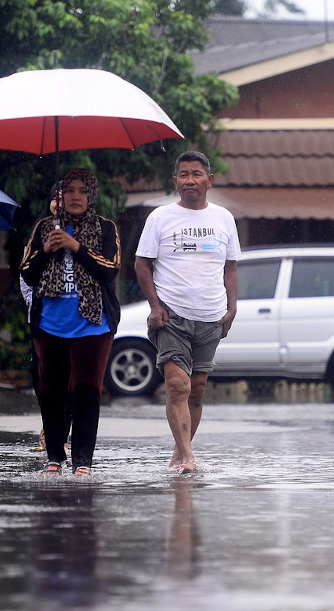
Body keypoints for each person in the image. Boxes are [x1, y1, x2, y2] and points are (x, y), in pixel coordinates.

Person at [134, 151, 240, 473]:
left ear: (210, 180)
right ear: (175, 181)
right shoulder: (160, 218)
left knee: (197, 390)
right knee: (177, 386)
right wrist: (155, 305)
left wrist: (232, 307)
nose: (189, 180)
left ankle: (180, 453)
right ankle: (188, 456)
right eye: (183, 174)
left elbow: (231, 268)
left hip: (210, 316)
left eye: (196, 174)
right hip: (172, 315)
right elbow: (142, 264)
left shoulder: (224, 218)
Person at [20, 168, 120, 476]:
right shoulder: (43, 228)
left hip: (93, 323)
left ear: (91, 196)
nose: (74, 196)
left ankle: (83, 462)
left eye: (81, 191)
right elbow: (26, 272)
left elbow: (110, 269)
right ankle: (54, 457)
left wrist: (76, 247)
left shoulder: (105, 227)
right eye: (68, 191)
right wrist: (47, 250)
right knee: (51, 392)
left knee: (87, 391)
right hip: (50, 322)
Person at [19, 182, 71, 452]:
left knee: (72, 379)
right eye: (56, 198)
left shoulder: (86, 232)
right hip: (43, 318)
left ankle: (61, 435)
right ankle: (50, 428)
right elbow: (25, 275)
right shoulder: (38, 233)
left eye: (66, 198)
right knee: (43, 377)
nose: (60, 203)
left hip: (75, 318)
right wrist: (37, 305)